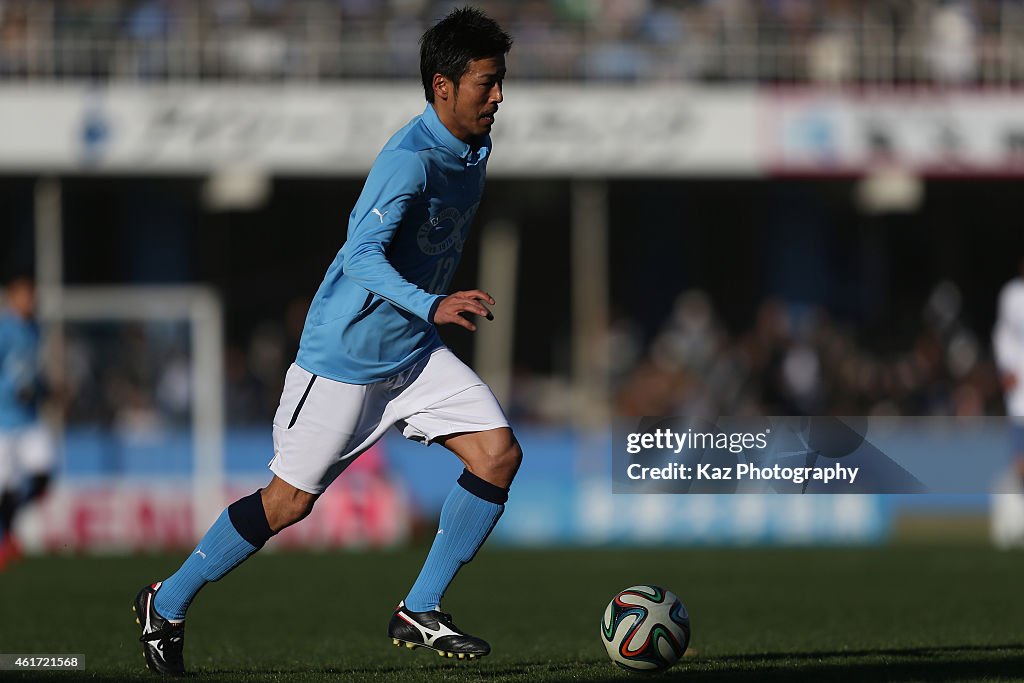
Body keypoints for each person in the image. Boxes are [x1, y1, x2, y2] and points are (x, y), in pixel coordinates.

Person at [133, 7, 519, 676]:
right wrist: (434, 300)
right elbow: (361, 255)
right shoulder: (409, 160)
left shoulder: (475, 149)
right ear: (441, 86)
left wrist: (426, 311)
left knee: (498, 454)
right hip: (344, 360)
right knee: (288, 503)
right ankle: (165, 602)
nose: (498, 96)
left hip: (412, 352)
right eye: (486, 83)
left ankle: (419, 606)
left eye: (500, 80)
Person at [0, 275, 54, 569]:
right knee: (4, 487)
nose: (30, 300)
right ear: (11, 296)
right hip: (3, 420)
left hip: (29, 419)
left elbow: (30, 372)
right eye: (24, 294)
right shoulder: (3, 329)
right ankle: (5, 539)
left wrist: (48, 389)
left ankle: (9, 528)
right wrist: (10, 391)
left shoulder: (34, 329)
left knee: (43, 475)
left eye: (32, 294)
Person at [992, 257, 1024, 547]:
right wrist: (1006, 368)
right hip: (1021, 393)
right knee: (1020, 463)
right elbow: (1003, 335)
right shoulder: (1013, 295)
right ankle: (1009, 518)